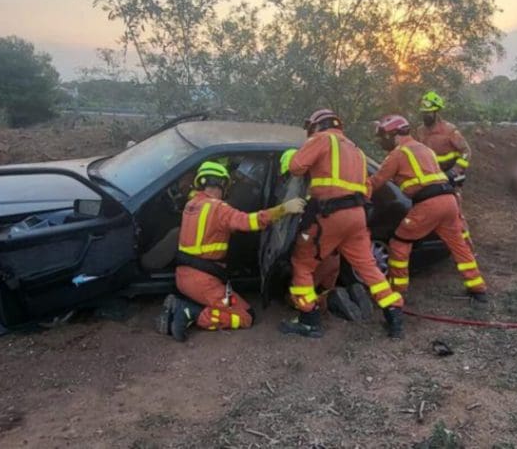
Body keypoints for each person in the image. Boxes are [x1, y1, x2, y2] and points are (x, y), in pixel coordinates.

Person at [279, 108, 405, 338]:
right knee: (367, 265)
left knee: (302, 263)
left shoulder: (322, 139)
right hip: (357, 217)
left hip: (330, 215)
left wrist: (288, 157)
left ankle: (309, 319)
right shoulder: (355, 149)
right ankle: (394, 314)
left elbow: (297, 167)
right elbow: (367, 188)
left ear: (317, 125)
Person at [160, 160, 306, 341]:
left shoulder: (191, 205)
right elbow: (250, 221)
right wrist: (283, 209)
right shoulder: (219, 208)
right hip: (204, 283)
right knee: (245, 316)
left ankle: (183, 304)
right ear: (221, 184)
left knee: (232, 305)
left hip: (184, 277)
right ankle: (191, 312)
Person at [370, 114, 487, 301]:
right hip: (449, 201)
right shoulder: (425, 149)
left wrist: (355, 192)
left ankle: (398, 290)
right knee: (458, 245)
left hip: (428, 205)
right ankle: (478, 289)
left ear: (394, 134)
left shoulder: (398, 154)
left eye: (384, 137)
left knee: (399, 242)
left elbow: (376, 181)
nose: (382, 141)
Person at [414, 90, 474, 242]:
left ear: (437, 112)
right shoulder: (420, 131)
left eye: (429, 112)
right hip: (431, 178)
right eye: (423, 113)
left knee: (456, 213)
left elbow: (466, 151)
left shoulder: (449, 131)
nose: (425, 116)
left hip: (450, 177)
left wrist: (455, 171)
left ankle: (466, 246)